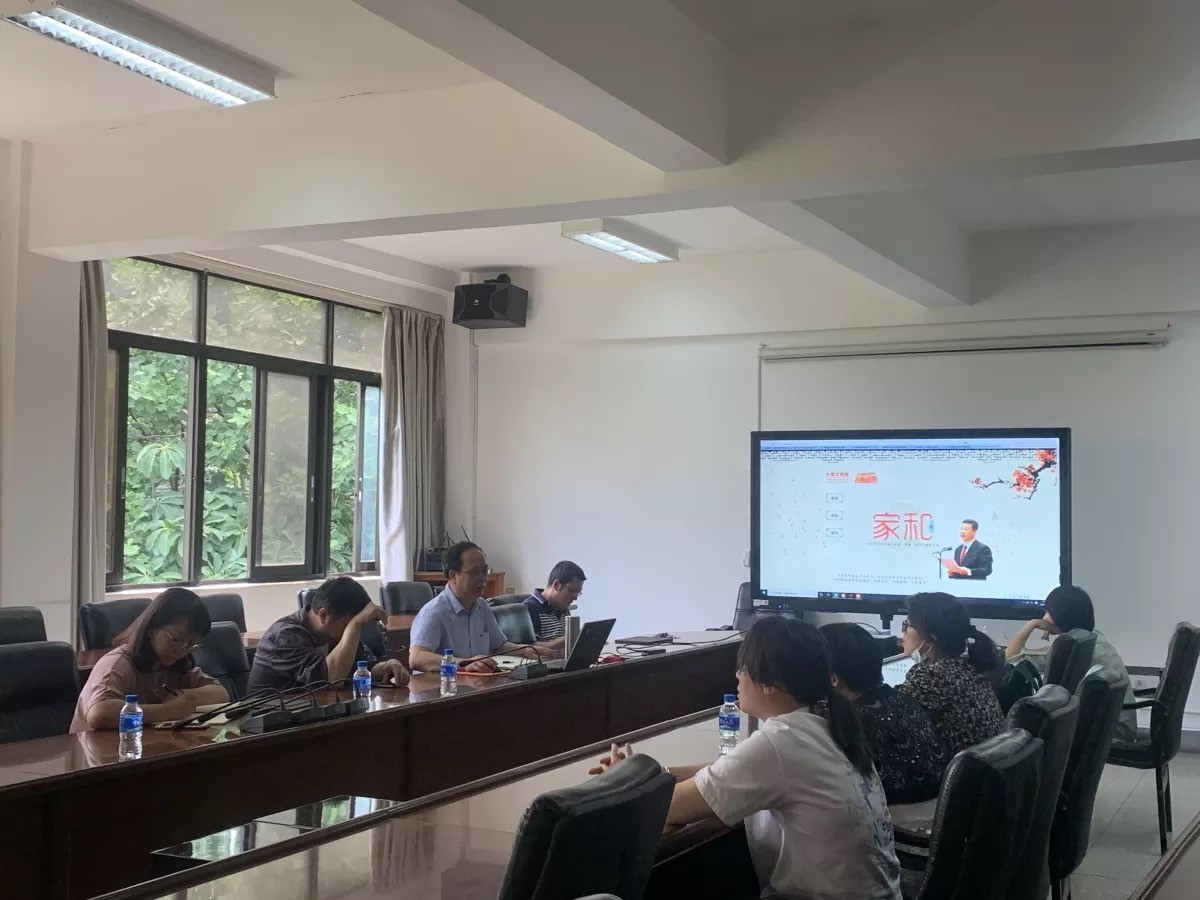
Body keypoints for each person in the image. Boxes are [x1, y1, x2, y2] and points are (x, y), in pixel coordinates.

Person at [591, 618, 901, 900]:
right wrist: (650, 772)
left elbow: (668, 807)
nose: (737, 676)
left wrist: (620, 784)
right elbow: (726, 770)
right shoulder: (826, 724)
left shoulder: (780, 743)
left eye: (743, 667)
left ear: (771, 684)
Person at [821, 622, 948, 804]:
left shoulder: (852, 720)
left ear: (834, 678)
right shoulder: (902, 699)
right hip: (938, 807)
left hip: (898, 815)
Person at [71, 588, 229, 732]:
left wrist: (181, 696)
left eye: (190, 645)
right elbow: (99, 714)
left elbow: (221, 693)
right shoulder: (118, 664)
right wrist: (168, 710)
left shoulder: (175, 664)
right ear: (151, 628)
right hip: (93, 751)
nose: (182, 650)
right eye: (176, 639)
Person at [1005, 584, 1138, 742]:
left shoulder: (1071, 649)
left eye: (1048, 612)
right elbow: (1040, 653)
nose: (1044, 617)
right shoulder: (1091, 638)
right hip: (1118, 724)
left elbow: (1011, 659)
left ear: (1060, 616)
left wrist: (1031, 624)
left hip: (1110, 733)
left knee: (1028, 734)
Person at [248, 576, 410, 694]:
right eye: (347, 624)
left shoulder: (332, 634)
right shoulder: (285, 636)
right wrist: (354, 625)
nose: (351, 631)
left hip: (314, 715)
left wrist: (386, 667)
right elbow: (331, 680)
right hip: (268, 722)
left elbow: (361, 667)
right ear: (323, 616)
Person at [896, 592, 1004, 757]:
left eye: (907, 624)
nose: (902, 632)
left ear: (929, 637)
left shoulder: (932, 677)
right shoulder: (967, 666)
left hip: (960, 771)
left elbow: (888, 714)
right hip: (984, 768)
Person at [408, 542, 542, 674]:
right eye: (475, 572)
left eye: (485, 571)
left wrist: (525, 650)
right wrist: (463, 663)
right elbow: (417, 658)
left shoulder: (481, 606)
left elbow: (499, 646)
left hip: (475, 682)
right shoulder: (434, 612)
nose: (483, 578)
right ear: (453, 576)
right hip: (441, 685)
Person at [522, 560, 586, 651]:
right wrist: (570, 638)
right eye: (573, 592)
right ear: (556, 585)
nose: (575, 598)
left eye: (578, 593)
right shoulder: (529, 608)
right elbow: (528, 648)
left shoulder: (563, 608)